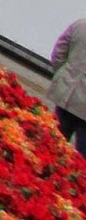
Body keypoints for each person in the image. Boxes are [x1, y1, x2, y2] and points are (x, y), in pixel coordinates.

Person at [50, 18, 86, 156]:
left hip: (66, 96)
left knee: (51, 145)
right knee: (81, 159)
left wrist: (63, 77)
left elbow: (58, 54)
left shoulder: (80, 25)